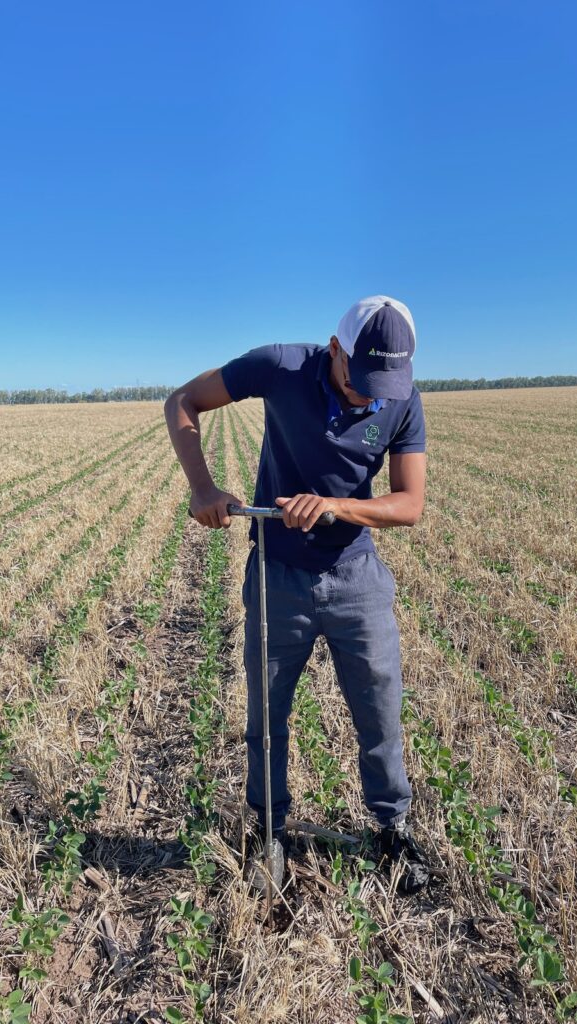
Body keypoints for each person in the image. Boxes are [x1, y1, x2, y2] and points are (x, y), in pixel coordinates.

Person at [164, 295, 430, 895]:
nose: (370, 397)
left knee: (379, 709)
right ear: (336, 350)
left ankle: (392, 829)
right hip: (277, 575)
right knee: (267, 712)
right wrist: (202, 487)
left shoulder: (402, 398)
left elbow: (408, 504)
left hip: (356, 575)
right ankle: (268, 830)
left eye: (383, 385)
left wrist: (336, 507)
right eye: (360, 380)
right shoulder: (280, 367)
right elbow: (181, 401)